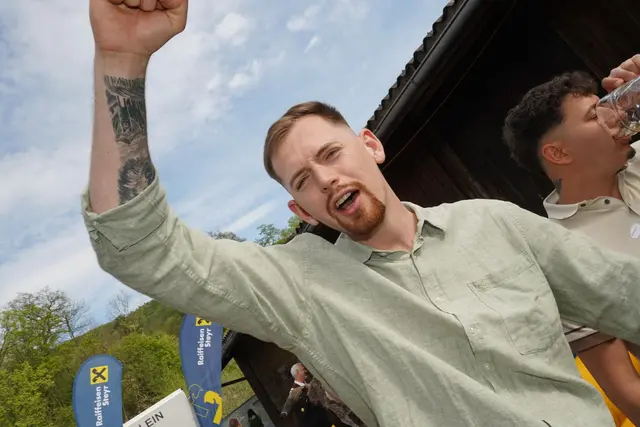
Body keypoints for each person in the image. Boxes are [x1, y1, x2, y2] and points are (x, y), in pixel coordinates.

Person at [83, 1, 640, 425]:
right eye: (304, 181)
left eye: (331, 154)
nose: (325, 178)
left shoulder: (496, 223)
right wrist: (121, 58)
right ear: (300, 209)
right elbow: (143, 247)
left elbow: (626, 297)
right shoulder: (303, 289)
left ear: (370, 145)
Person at [503, 66, 640, 426]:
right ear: (559, 153)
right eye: (595, 115)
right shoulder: (561, 255)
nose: (615, 116)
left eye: (606, 104)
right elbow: (627, 392)